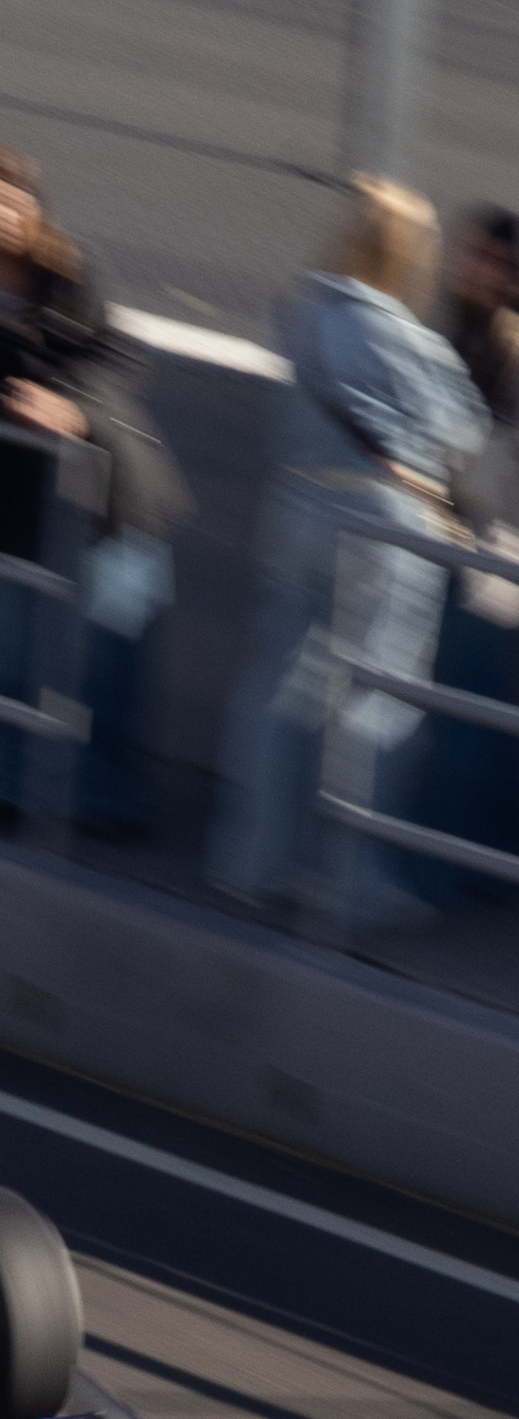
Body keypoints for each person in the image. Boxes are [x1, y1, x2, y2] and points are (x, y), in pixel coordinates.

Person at [207, 177, 489, 938]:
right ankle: (348, 881)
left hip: (296, 503)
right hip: (383, 522)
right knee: (376, 699)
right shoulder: (405, 335)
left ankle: (251, 860)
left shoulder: (301, 313)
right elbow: (464, 431)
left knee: (279, 680)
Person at [0, 132, 180, 837]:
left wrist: (71, 408)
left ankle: (105, 797)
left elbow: (115, 359)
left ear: (29, 206)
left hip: (110, 481)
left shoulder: (65, 270)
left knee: (111, 651)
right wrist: (18, 400)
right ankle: (3, 784)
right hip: (6, 482)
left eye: (0, 194)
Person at [411, 206, 519, 887]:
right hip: (468, 546)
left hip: (493, 557)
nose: (475, 270)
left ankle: (451, 875)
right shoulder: (459, 335)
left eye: (496, 262)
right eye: (473, 255)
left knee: (470, 721)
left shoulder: (505, 349)